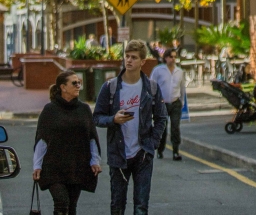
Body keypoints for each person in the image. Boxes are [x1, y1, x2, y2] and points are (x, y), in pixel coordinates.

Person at [93, 39, 167, 215]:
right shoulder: (110, 87)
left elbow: (161, 117)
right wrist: (113, 119)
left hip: (142, 153)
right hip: (118, 154)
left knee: (141, 206)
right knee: (117, 206)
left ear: (142, 62)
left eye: (134, 57)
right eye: (127, 56)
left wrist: (153, 143)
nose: (129, 60)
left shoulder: (151, 88)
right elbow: (96, 117)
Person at [33, 69, 102, 215]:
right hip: (54, 167)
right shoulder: (50, 110)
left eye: (79, 83)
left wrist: (95, 160)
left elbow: (91, 137)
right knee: (61, 203)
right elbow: (42, 140)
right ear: (63, 87)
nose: (78, 86)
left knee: (71, 207)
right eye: (74, 83)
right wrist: (37, 165)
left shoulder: (84, 109)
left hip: (76, 166)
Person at [153, 48, 185, 162]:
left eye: (175, 57)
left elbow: (182, 88)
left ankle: (176, 151)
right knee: (163, 128)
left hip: (175, 102)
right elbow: (152, 86)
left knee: (175, 127)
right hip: (162, 103)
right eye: (171, 57)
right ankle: (160, 150)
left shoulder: (179, 72)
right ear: (165, 58)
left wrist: (182, 101)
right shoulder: (158, 70)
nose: (173, 59)